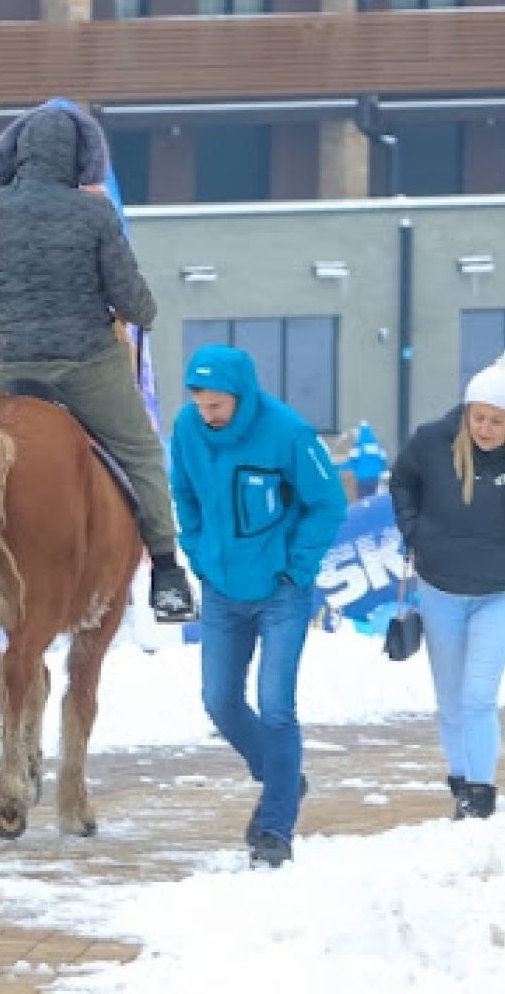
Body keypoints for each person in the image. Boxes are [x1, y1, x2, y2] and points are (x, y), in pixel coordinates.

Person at [0, 99, 195, 622]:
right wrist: (145, 313)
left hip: (6, 365)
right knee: (140, 451)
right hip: (87, 363)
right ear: (80, 159)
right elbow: (132, 299)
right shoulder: (95, 211)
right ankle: (166, 572)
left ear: (16, 155)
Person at [169, 345, 347, 866]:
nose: (208, 415)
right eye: (201, 405)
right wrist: (198, 552)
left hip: (281, 593)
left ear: (242, 398)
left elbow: (328, 502)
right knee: (219, 700)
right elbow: (184, 494)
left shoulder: (287, 432)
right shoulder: (187, 429)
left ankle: (275, 827)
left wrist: (298, 566)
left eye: (217, 406)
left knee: (275, 706)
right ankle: (283, 778)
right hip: (222, 590)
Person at [389, 347, 505, 820]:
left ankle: (481, 790)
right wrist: (414, 530)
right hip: (440, 588)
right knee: (449, 698)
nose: (486, 429)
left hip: (501, 593)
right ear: (467, 412)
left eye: (497, 422)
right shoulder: (432, 441)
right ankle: (460, 777)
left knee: (478, 695)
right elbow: (402, 481)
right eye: (479, 418)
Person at [346, 419, 388, 499]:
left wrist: (337, 467)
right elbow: (384, 462)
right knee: (374, 500)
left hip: (363, 479)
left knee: (363, 501)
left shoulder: (357, 448)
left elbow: (351, 462)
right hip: (375, 478)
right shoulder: (377, 446)